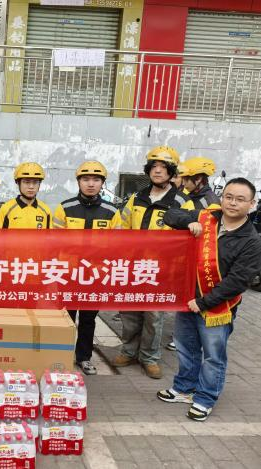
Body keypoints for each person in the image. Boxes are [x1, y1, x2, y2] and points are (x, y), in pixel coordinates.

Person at [157, 178, 261, 421]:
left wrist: (203, 303)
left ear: (252, 204)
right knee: (186, 348)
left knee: (213, 356)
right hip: (188, 300)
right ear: (221, 198)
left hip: (217, 309)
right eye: (228, 197)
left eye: (240, 199)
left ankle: (205, 398)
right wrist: (189, 222)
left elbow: (238, 282)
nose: (232, 203)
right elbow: (170, 215)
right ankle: (184, 388)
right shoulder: (207, 217)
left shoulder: (252, 241)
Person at [112, 146, 193, 379]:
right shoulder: (137, 197)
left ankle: (149, 357)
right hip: (133, 267)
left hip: (161, 270)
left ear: (172, 172)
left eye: (163, 167)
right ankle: (128, 351)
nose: (158, 171)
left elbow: (187, 238)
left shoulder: (182, 202)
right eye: (154, 167)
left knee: (154, 316)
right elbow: (122, 226)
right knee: (129, 312)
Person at [53, 161, 118, 375]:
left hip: (95, 275)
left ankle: (84, 357)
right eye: (86, 179)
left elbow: (117, 245)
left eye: (96, 180)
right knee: (66, 317)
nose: (91, 184)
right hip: (69, 274)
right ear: (78, 182)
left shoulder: (111, 211)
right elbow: (54, 243)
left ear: (102, 183)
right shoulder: (65, 208)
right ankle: (62, 355)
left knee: (89, 319)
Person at [166, 157, 221, 351]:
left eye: (186, 178)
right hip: (189, 255)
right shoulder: (190, 197)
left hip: (203, 257)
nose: (183, 182)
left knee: (197, 294)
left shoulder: (210, 202)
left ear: (198, 179)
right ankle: (184, 333)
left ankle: (193, 336)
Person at [0, 162, 52, 229]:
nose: (31, 186)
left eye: (35, 182)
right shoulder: (6, 209)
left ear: (39, 184)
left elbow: (49, 235)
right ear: (18, 183)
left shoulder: (45, 210)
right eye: (27, 182)